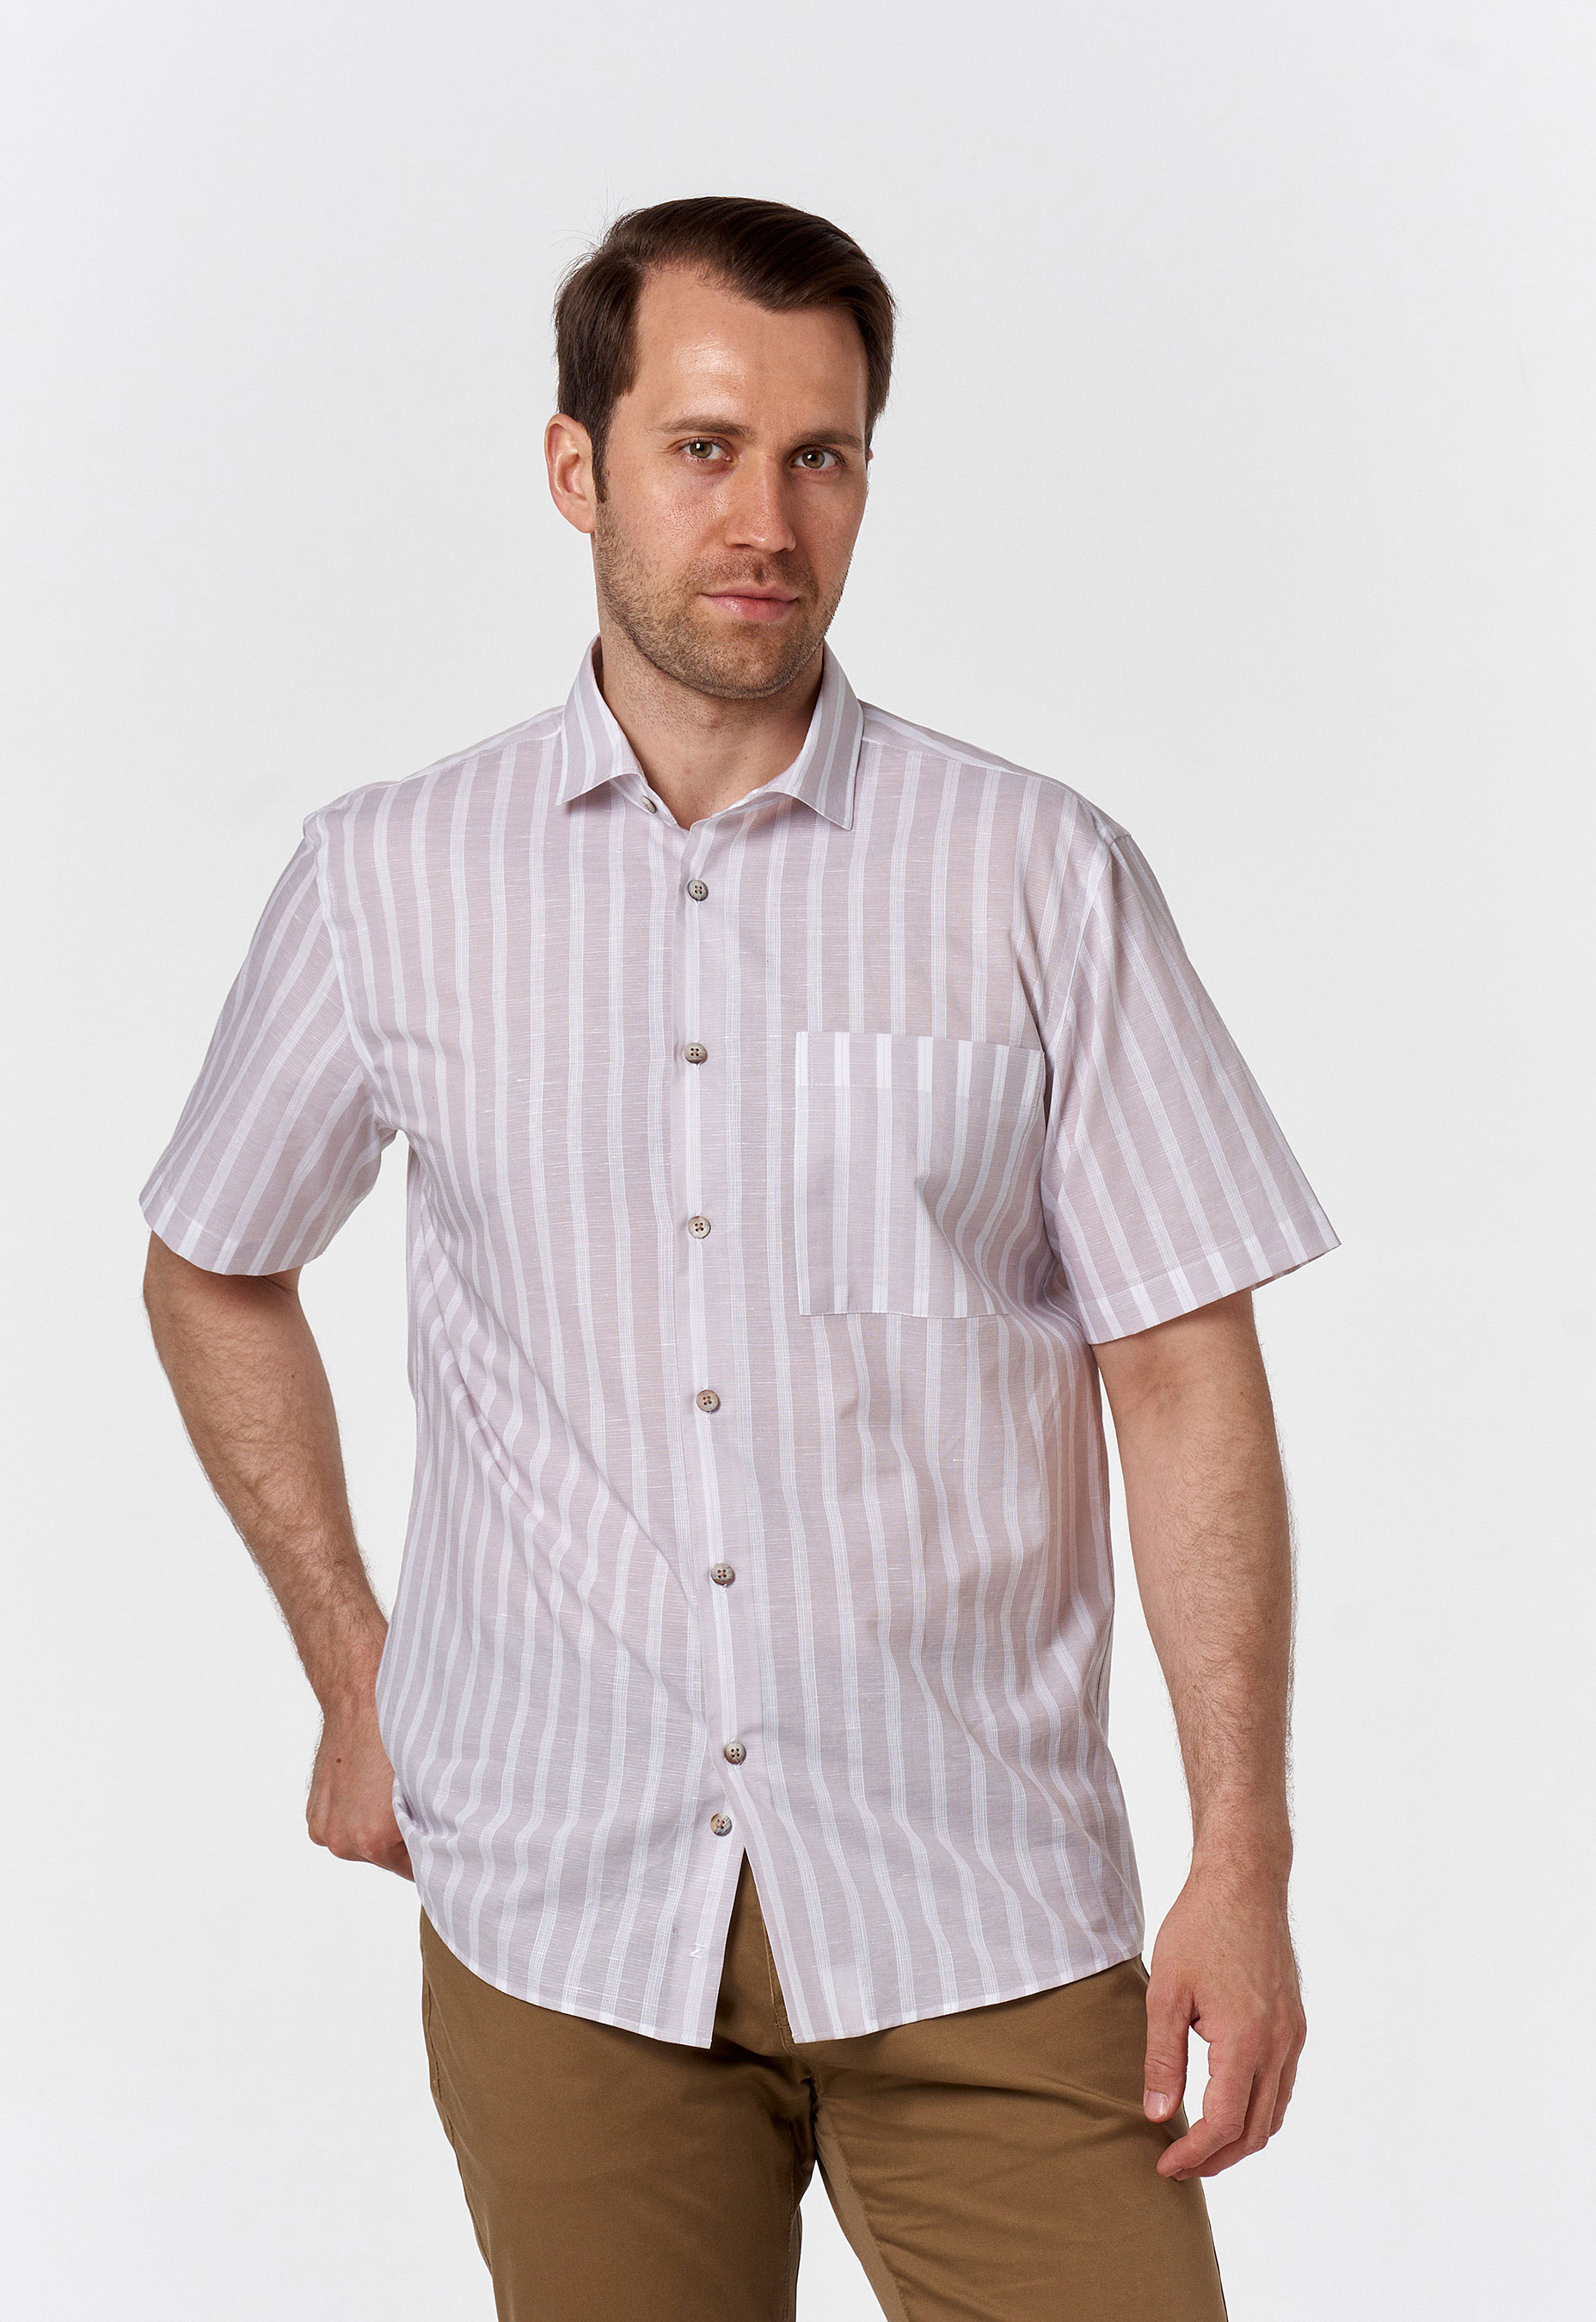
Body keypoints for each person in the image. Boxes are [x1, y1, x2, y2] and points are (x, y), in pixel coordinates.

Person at [139, 194, 1338, 2321]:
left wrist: (1238, 1852)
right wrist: (354, 1666)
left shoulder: (1034, 876)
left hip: (975, 1900)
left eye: (820, 455)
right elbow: (212, 1263)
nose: (765, 519)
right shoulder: (387, 879)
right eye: (702, 448)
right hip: (564, 1924)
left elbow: (1179, 1364)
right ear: (576, 468)